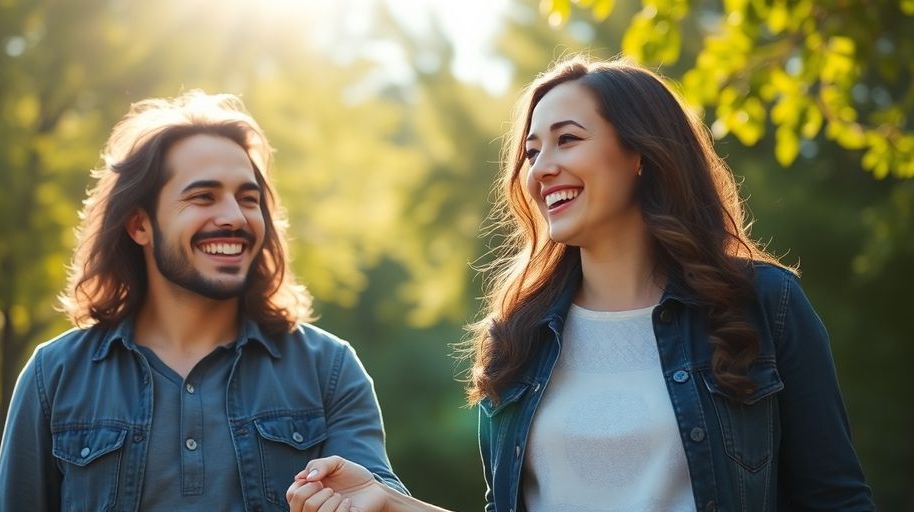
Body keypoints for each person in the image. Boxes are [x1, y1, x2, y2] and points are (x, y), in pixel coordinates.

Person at [286, 56, 874, 511]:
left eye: (568, 140)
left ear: (641, 153)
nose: (541, 168)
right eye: (532, 150)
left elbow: (837, 500)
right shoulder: (517, 337)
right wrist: (389, 501)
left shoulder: (760, 306)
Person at [0, 91, 405, 511]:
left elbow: (378, 500)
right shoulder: (54, 376)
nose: (235, 217)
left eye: (248, 199)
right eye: (203, 197)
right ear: (139, 224)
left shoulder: (328, 370)